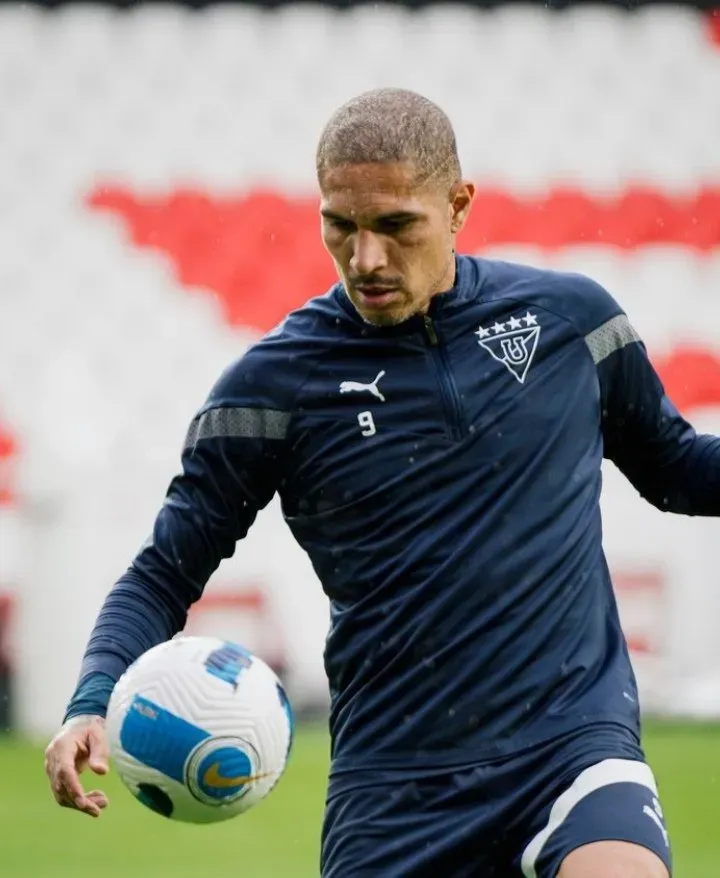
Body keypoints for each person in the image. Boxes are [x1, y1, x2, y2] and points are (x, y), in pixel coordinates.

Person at [44, 88, 719, 878]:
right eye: (341, 226)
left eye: (397, 226)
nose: (366, 258)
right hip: (393, 791)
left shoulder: (571, 322)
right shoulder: (272, 387)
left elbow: (673, 467)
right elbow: (162, 573)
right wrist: (91, 699)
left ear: (459, 205)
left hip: (569, 747)